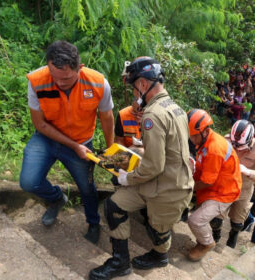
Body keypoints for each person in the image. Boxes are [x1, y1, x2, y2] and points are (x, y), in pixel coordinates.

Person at [89, 57, 193, 279]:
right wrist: (142, 145)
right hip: (166, 180)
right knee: (114, 205)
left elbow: (154, 165)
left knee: (157, 227)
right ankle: (120, 262)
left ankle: (160, 255)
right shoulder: (175, 107)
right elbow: (169, 148)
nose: (135, 95)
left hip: (165, 188)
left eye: (134, 88)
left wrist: (128, 178)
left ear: (144, 85)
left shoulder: (152, 114)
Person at [20, 41, 114, 244]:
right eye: (55, 77)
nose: (60, 83)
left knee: (87, 188)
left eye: (67, 78)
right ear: (48, 67)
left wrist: (110, 149)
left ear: (79, 68)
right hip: (46, 139)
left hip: (82, 141)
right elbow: (40, 124)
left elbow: (106, 117)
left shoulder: (98, 83)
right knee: (28, 182)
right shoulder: (36, 80)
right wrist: (73, 146)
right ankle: (56, 199)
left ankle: (93, 222)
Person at [186, 110, 242, 261]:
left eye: (193, 136)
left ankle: (207, 243)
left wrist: (188, 187)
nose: (191, 139)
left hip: (224, 192)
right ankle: (203, 239)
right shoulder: (205, 141)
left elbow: (207, 181)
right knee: (199, 217)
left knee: (195, 220)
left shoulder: (214, 148)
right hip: (215, 185)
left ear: (204, 131)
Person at [210, 120, 255, 248]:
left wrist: (248, 171)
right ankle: (215, 236)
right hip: (224, 188)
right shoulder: (227, 140)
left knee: (237, 222)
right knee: (215, 219)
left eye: (240, 146)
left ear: (252, 138)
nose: (236, 148)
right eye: (234, 144)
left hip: (243, 191)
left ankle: (233, 236)